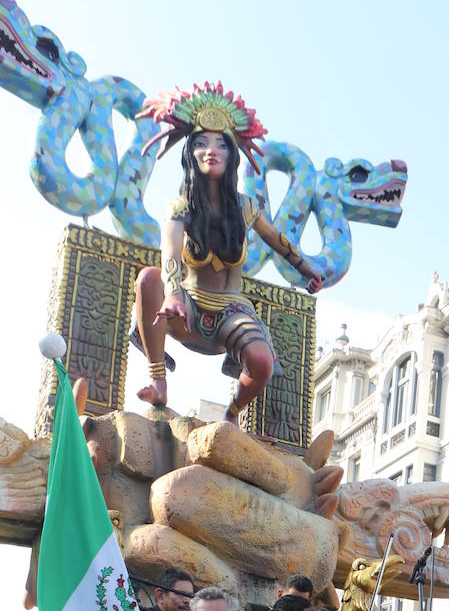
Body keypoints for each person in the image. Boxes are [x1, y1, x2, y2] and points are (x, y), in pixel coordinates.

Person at [134, 83, 322, 419]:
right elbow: (170, 255)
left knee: (262, 363)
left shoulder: (246, 207)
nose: (211, 150)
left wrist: (306, 268)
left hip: (230, 313)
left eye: (221, 144)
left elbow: (277, 239)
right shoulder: (179, 208)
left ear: (232, 155)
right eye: (202, 143)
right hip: (186, 310)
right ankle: (158, 381)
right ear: (190, 153)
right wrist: (174, 293)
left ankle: (233, 412)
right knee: (148, 279)